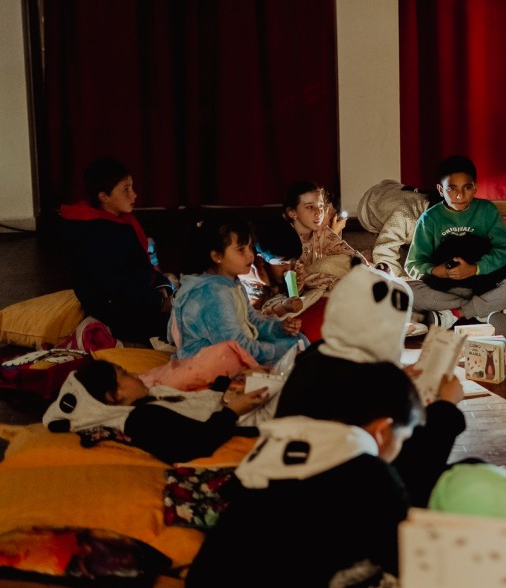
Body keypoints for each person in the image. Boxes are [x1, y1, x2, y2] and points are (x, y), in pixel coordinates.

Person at [184, 361, 426, 588]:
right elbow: (404, 560)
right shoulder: (373, 475)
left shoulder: (280, 443)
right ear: (382, 430)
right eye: (403, 439)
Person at [274, 264, 467, 509]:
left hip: (291, 491)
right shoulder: (374, 379)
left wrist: (396, 379)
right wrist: (447, 406)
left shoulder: (315, 356)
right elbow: (413, 465)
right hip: (345, 503)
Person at [404, 155, 506, 343]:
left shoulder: (486, 210)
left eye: (466, 188)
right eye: (452, 189)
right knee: (403, 289)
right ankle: (485, 313)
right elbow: (413, 264)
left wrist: (475, 268)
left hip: (485, 283)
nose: (460, 195)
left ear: (475, 187)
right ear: (440, 190)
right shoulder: (429, 219)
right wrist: (436, 270)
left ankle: (452, 315)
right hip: (447, 288)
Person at [42, 358, 268, 464]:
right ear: (115, 395)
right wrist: (233, 412)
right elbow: (196, 443)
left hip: (247, 412)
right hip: (252, 428)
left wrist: (235, 382)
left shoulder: (148, 401)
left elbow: (197, 403)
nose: (136, 375)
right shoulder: (141, 420)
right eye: (125, 374)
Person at [59, 157, 173, 344]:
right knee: (188, 322)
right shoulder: (96, 234)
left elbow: (137, 270)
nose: (134, 195)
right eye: (126, 189)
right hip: (117, 311)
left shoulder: (117, 223)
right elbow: (117, 286)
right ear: (104, 197)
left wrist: (164, 286)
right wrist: (160, 303)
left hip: (134, 299)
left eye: (132, 187)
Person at [168, 213, 308, 364]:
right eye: (241, 249)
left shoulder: (232, 282)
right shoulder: (212, 293)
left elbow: (252, 321)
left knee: (297, 340)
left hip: (233, 351)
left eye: (250, 247)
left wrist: (280, 328)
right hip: (207, 364)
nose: (250, 255)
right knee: (296, 350)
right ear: (217, 256)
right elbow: (235, 347)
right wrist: (279, 350)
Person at [283, 180, 367, 293]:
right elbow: (294, 281)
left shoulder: (322, 232)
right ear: (293, 213)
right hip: (297, 289)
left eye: (321, 206)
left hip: (323, 280)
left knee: (350, 259)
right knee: (326, 264)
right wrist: (335, 282)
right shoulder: (285, 238)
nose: (318, 212)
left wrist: (369, 269)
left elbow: (347, 251)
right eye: (309, 207)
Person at [355, 179, 440, 278]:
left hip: (392, 189)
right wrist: (401, 280)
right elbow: (383, 251)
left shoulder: (438, 210)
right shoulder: (406, 218)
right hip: (368, 207)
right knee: (389, 251)